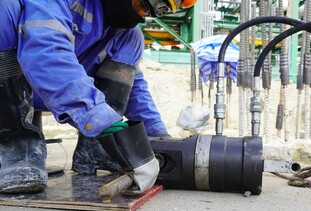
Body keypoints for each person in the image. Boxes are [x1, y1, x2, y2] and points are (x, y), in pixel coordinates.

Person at [0, 0, 197, 194]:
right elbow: (45, 52)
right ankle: (17, 147)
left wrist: (157, 135)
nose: (142, 15)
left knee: (132, 37)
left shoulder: (116, 26)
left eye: (152, 12)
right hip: (17, 83)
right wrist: (103, 121)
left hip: (65, 92)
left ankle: (95, 148)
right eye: (143, 4)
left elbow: (132, 83)